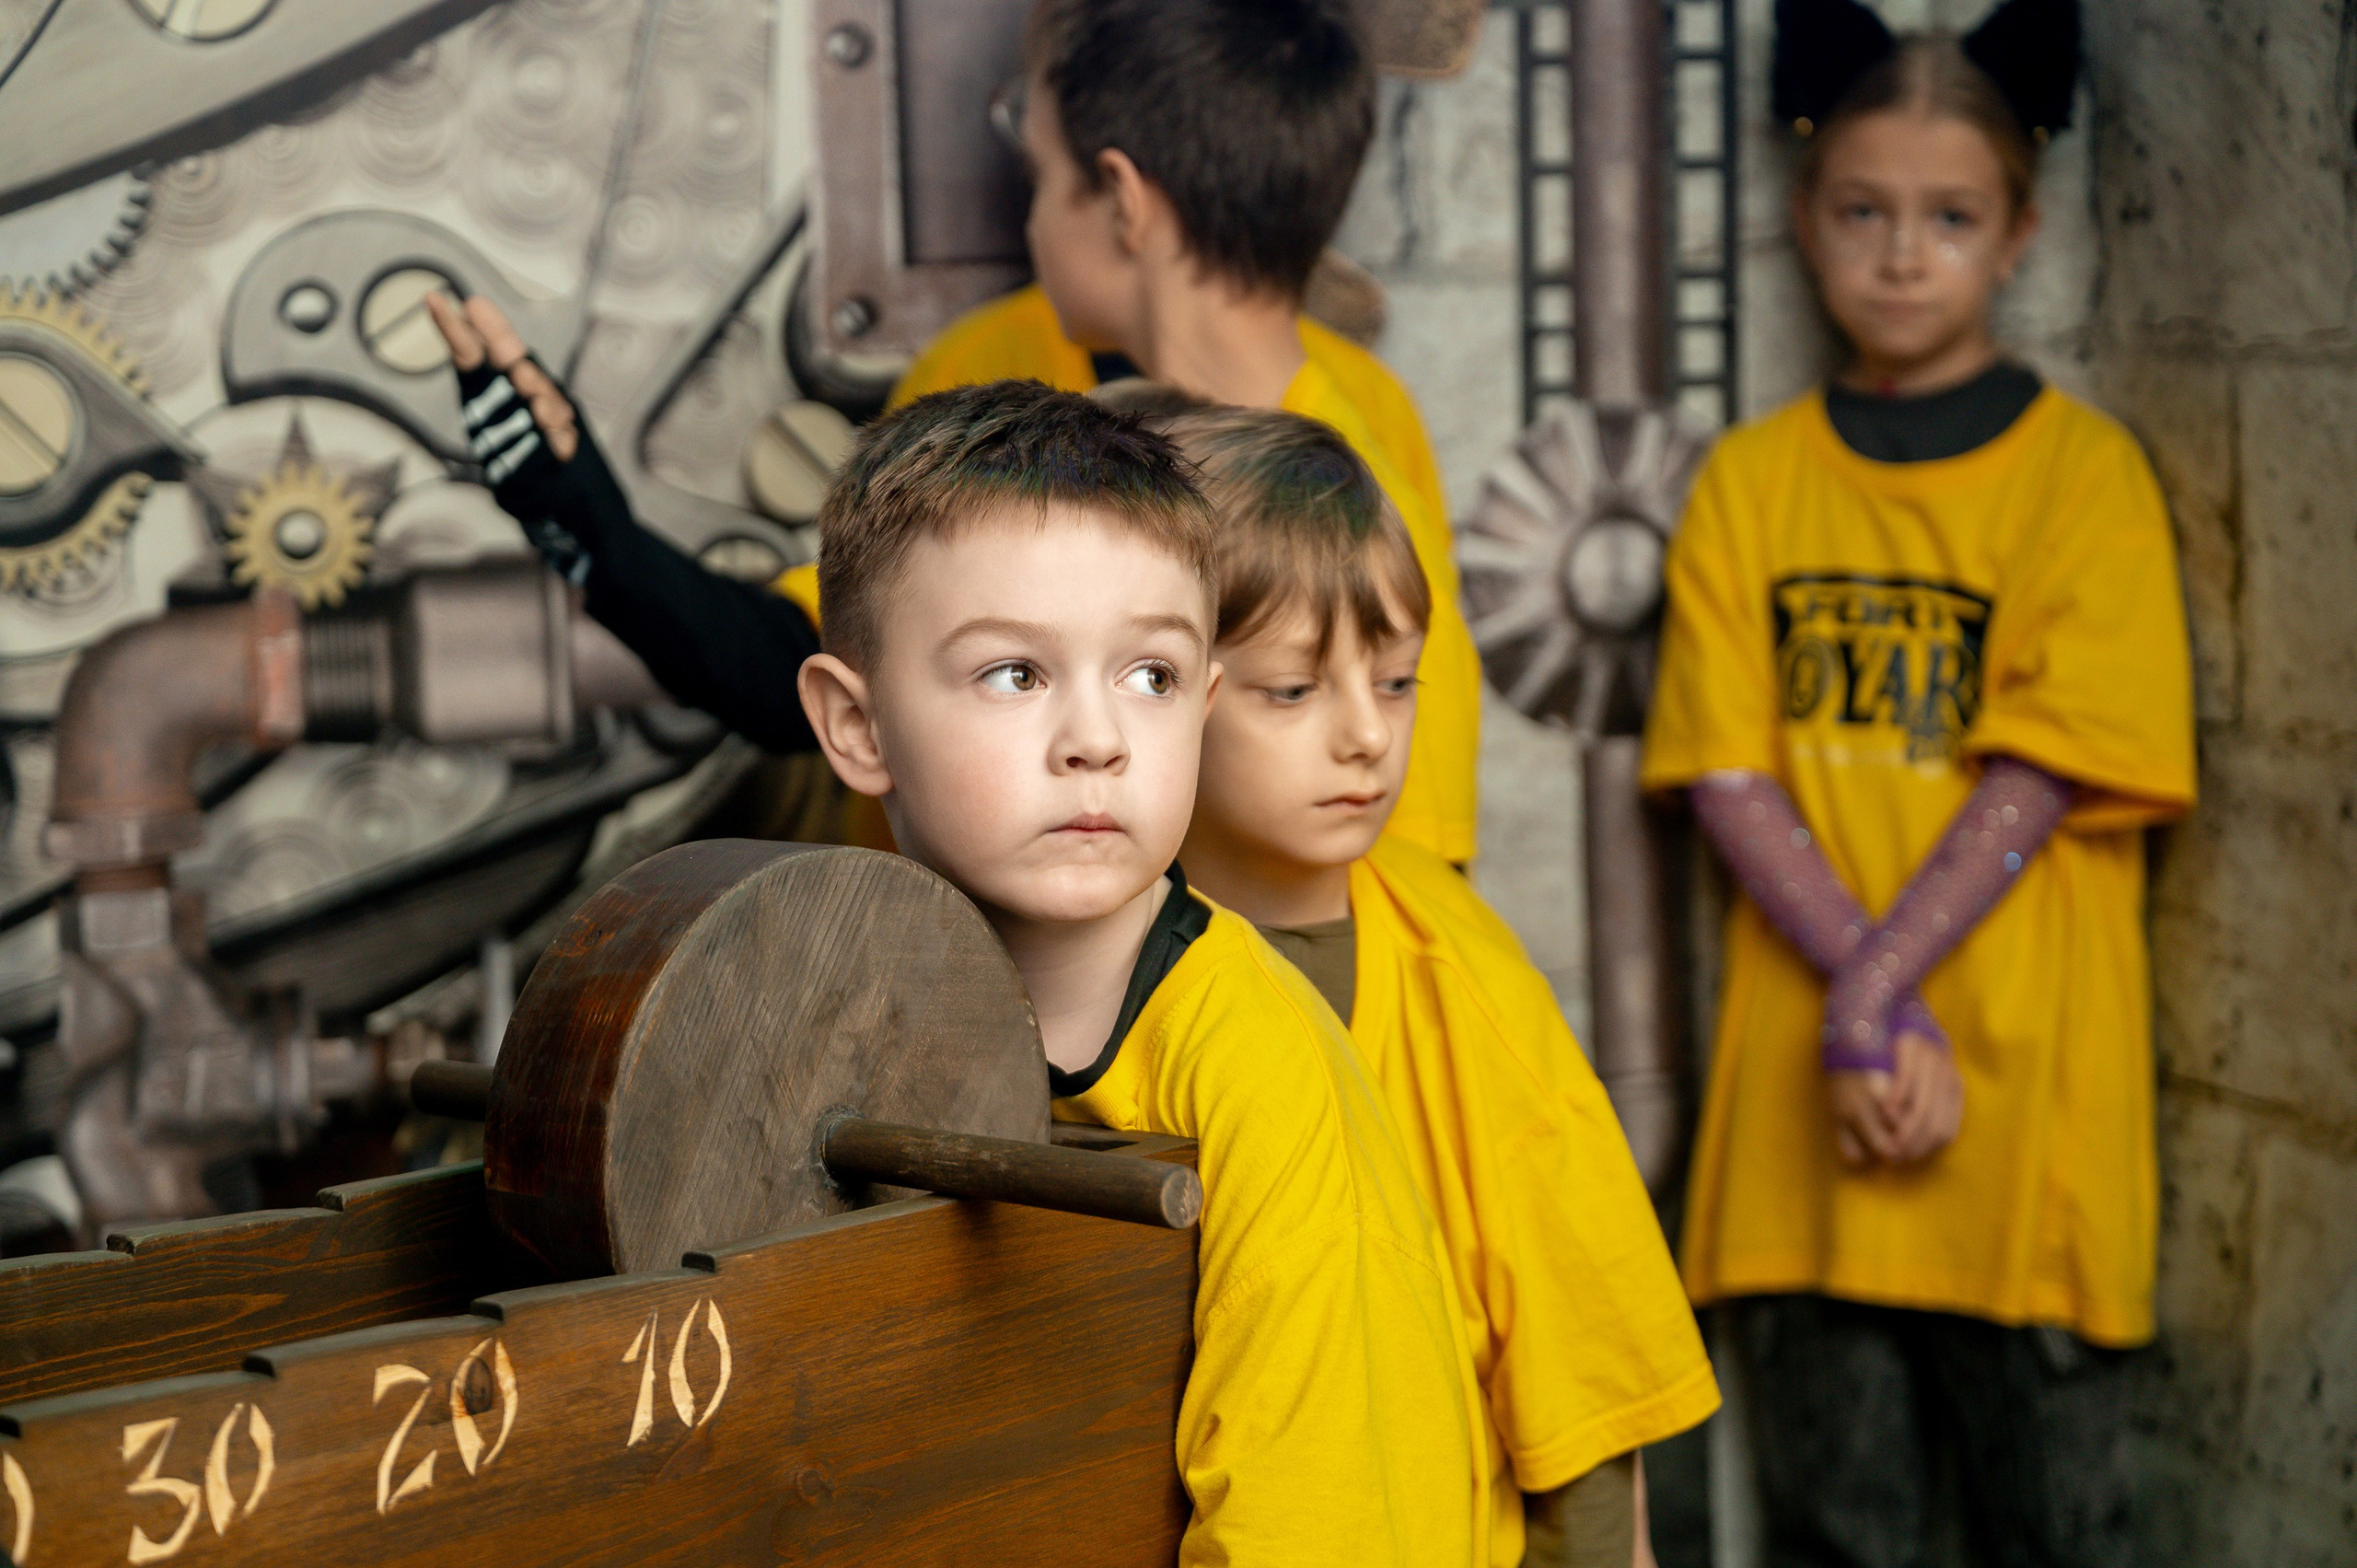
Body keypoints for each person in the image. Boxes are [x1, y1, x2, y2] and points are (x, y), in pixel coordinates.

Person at [1640, 2, 2193, 1563]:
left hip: (2025, 1133)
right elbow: (1728, 771)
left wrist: (1874, 996)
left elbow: (2043, 773)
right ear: (1806, 217)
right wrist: (1866, 1014)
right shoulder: (1752, 482)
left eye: (1949, 218)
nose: (1901, 255)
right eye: (1863, 211)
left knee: (2059, 1535)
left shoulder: (2084, 477)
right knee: (1835, 1538)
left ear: (2017, 234)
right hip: (1807, 1143)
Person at [779, 378, 1489, 1564]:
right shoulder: (817, 1010)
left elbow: (1313, 1529)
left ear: (1202, 705)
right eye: (1015, 673)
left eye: (1149, 676)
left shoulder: (1267, 1084)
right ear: (855, 724)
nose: (1097, 739)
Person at [1155, 405, 1719, 1568]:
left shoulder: (1458, 966)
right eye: (1293, 690)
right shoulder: (1094, 952)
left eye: (1398, 680)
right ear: (1160, 689)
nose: (1367, 733)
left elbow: (1572, 1355)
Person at [881, 0, 1484, 865]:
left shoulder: (1358, 492)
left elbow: (1404, 873)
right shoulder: (991, 367)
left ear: (1123, 201)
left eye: (1044, 177)